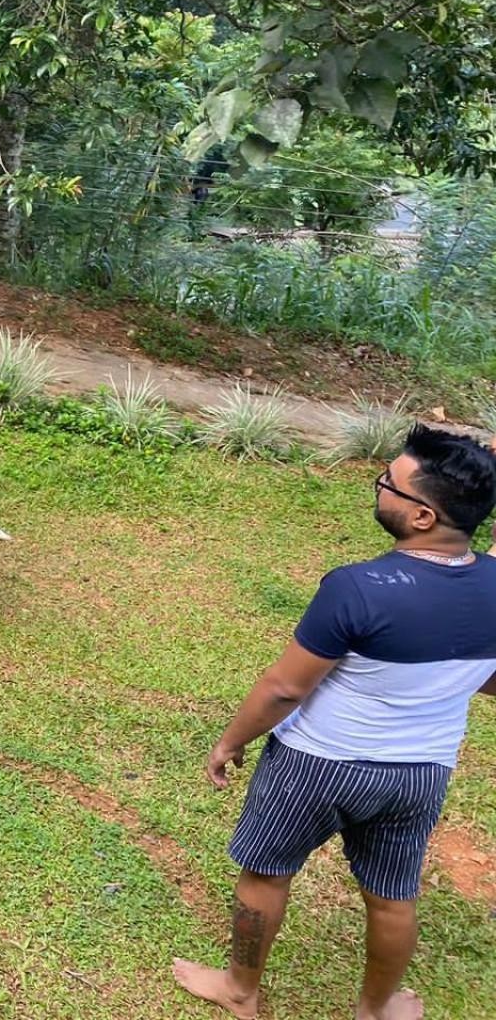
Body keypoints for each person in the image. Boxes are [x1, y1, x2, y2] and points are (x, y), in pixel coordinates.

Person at [173, 424, 496, 1020]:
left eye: (388, 485)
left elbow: (285, 688)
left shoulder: (357, 586)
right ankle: (376, 1010)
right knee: (393, 897)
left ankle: (240, 991)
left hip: (317, 766)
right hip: (419, 775)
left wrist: (229, 741)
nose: (379, 490)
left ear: (422, 517)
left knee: (266, 874)